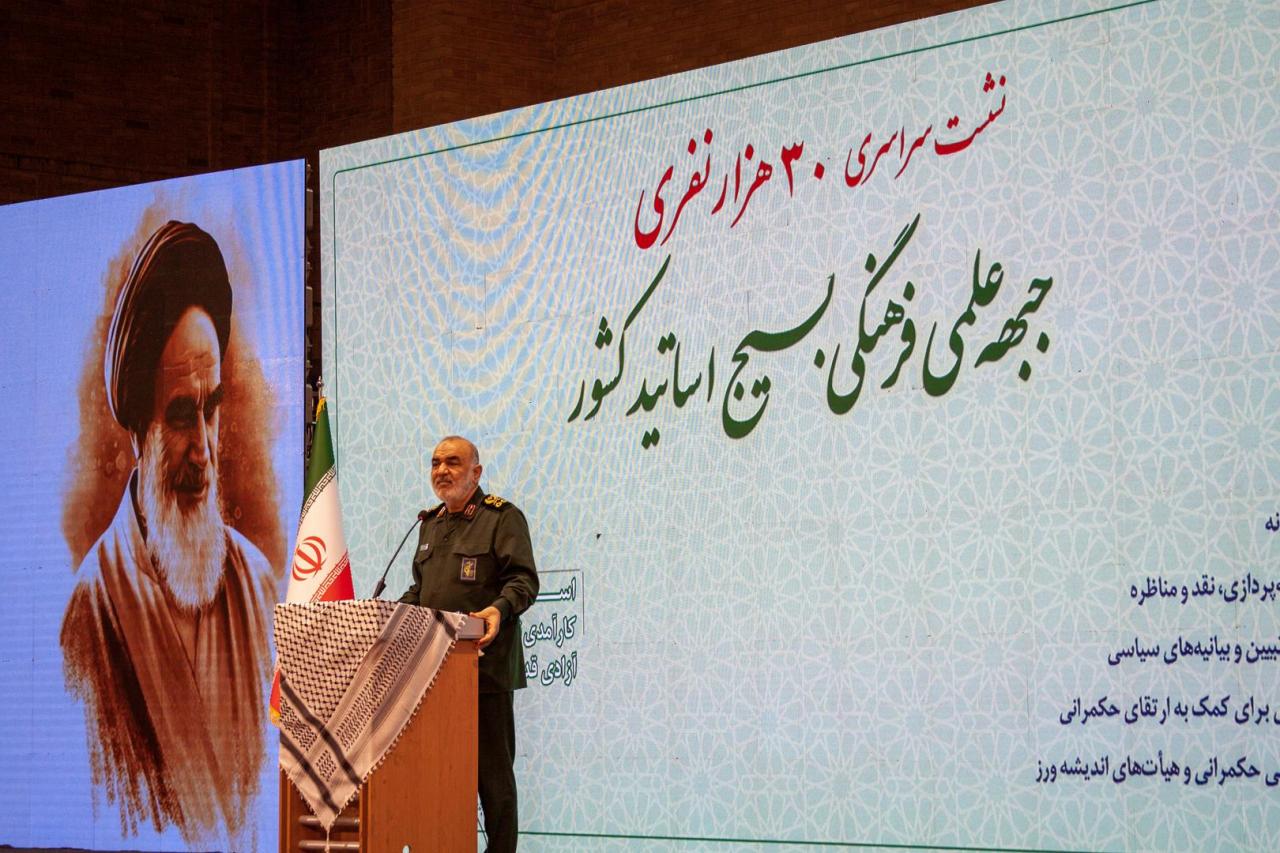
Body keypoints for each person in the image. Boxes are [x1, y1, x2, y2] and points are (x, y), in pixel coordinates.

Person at [59, 221, 276, 846]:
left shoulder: (261, 588)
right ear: (139, 430)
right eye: (182, 416)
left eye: (212, 410)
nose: (204, 451)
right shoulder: (89, 618)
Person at [399, 436, 539, 853]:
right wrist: (388, 616)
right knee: (440, 778)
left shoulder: (501, 518)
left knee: (494, 784)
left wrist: (499, 608)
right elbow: (421, 591)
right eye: (435, 463)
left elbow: (523, 581)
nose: (442, 470)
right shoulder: (429, 524)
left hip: (484, 672)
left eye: (453, 462)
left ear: (475, 473)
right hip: (432, 675)